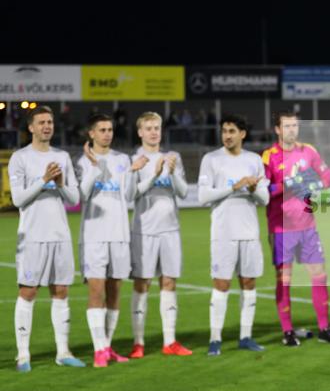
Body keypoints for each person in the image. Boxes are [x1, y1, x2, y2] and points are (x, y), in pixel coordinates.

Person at [10, 106, 84, 372]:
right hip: (32, 236)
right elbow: (18, 199)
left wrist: (61, 183)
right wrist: (43, 180)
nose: (47, 126)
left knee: (61, 291)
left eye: (50, 122)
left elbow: (75, 200)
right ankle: (23, 356)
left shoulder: (62, 156)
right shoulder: (20, 158)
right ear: (30, 127)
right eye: (41, 122)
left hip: (60, 236)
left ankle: (63, 352)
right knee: (28, 291)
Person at [261, 110, 330, 346]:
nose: (291, 130)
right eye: (286, 126)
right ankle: (287, 331)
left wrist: (314, 182)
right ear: (277, 129)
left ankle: (324, 329)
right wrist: (288, 184)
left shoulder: (309, 151)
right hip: (281, 229)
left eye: (294, 126)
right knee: (284, 279)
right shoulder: (268, 157)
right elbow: (264, 191)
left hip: (308, 226)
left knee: (319, 275)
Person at [198, 114, 270, 356]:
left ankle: (246, 336)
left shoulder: (254, 160)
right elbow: (203, 197)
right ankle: (215, 339)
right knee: (221, 284)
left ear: (243, 134)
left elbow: (265, 198)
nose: (227, 135)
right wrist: (234, 186)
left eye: (231, 131)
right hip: (223, 233)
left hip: (249, 232)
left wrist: (252, 189)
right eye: (224, 131)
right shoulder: (211, 159)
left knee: (249, 283)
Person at [128, 112, 193, 358]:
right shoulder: (134, 160)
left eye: (157, 127)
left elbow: (184, 192)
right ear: (140, 132)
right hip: (144, 231)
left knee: (169, 283)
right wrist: (153, 173)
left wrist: (173, 172)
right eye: (149, 128)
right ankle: (139, 342)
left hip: (170, 231)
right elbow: (131, 194)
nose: (154, 132)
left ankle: (170, 341)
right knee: (141, 284)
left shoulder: (172, 157)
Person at [77, 112, 138, 367]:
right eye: (101, 130)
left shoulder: (123, 159)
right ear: (91, 133)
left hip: (120, 236)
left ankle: (108, 346)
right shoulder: (82, 161)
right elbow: (82, 194)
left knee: (114, 294)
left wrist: (133, 173)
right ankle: (98, 349)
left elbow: (130, 196)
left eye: (109, 130)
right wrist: (94, 166)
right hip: (94, 236)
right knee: (96, 291)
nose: (106, 134)